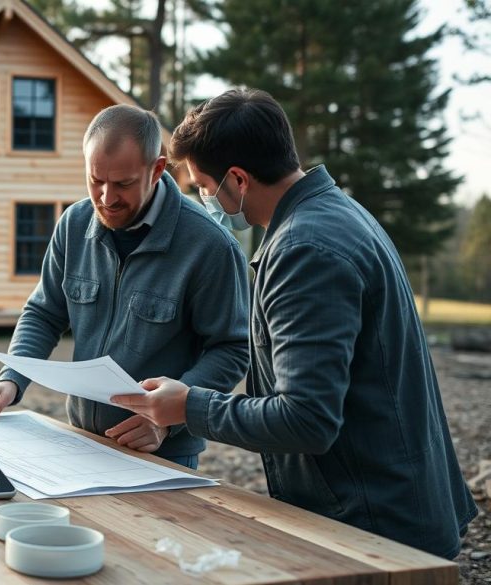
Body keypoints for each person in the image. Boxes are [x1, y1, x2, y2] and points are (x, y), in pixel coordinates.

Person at [112, 88, 477, 557]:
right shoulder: (337, 212)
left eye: (204, 186)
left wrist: (189, 407)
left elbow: (307, 419)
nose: (204, 198)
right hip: (389, 505)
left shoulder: (304, 251)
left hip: (374, 528)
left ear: (238, 180)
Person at [0, 104, 250, 469]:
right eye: (95, 180)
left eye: (123, 184)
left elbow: (232, 348)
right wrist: (11, 380)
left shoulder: (210, 246)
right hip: (79, 441)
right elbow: (44, 313)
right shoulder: (74, 224)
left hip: (163, 455)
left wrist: (170, 418)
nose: (106, 198)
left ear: (157, 169)